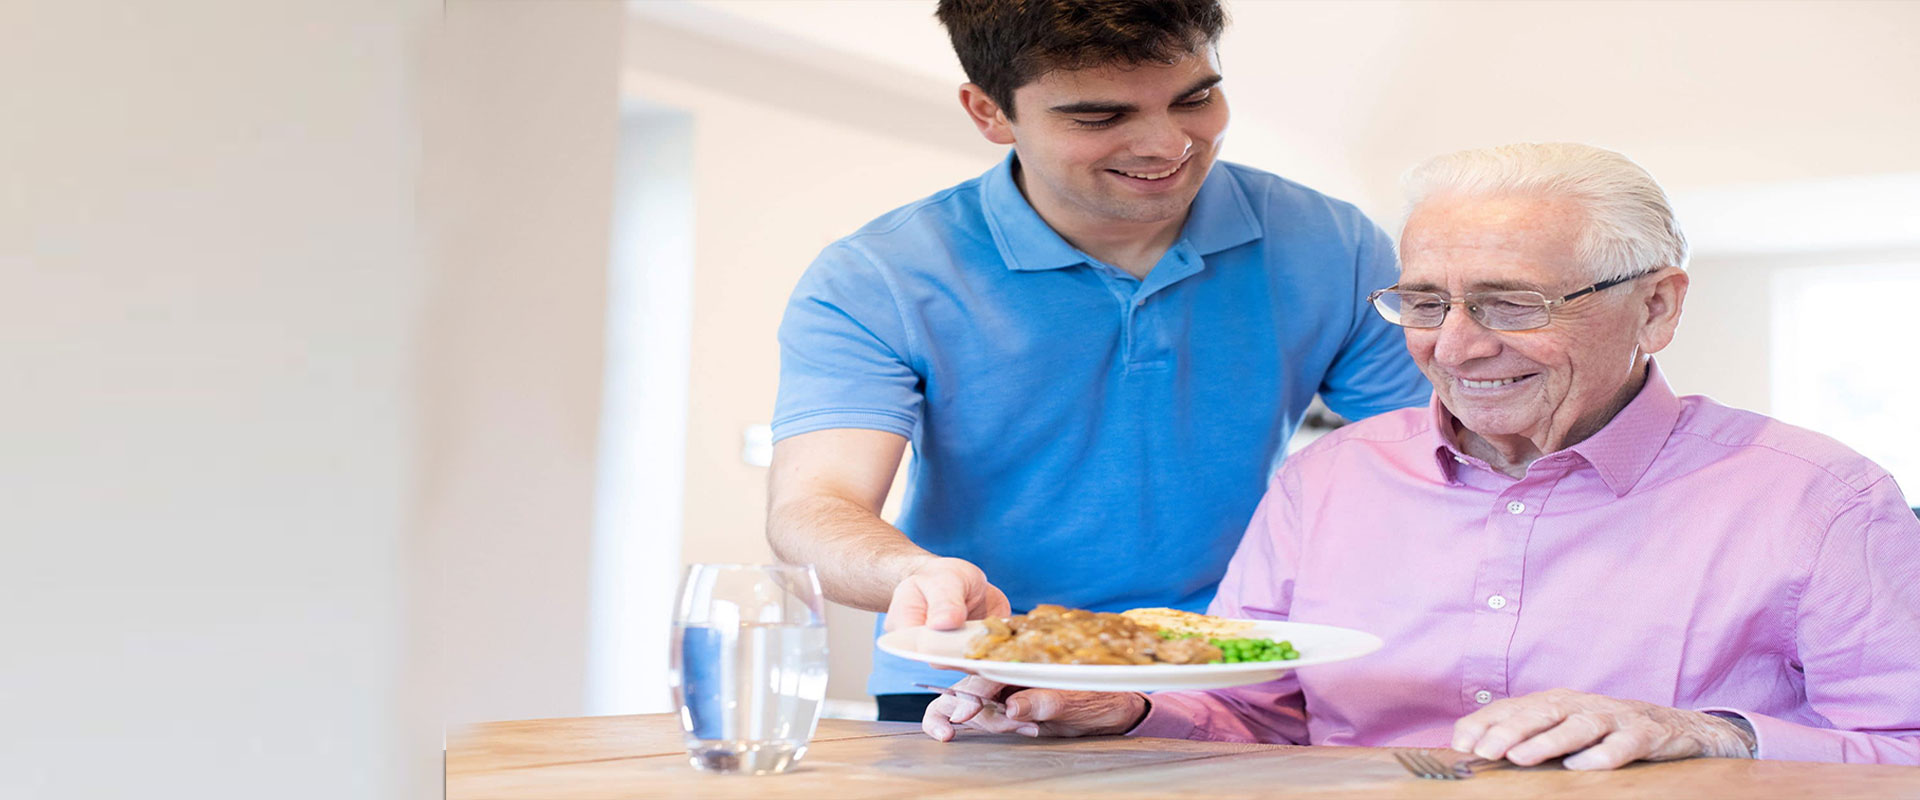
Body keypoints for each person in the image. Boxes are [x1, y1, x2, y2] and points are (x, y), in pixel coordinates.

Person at [921, 143, 1920, 767]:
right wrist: (1120, 706)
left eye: (1511, 303)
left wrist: (1706, 730)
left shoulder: (1821, 499)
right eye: (1426, 302)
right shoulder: (1330, 476)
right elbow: (1252, 708)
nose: (1455, 345)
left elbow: (1903, 748)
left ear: (1655, 305)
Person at [767, 0, 1430, 722]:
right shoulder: (881, 274)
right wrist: (916, 575)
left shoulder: (1335, 243)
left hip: (1227, 677)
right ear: (989, 112)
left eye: (1196, 97)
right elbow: (813, 506)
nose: (1166, 143)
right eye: (1101, 117)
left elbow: (1436, 463)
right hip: (978, 674)